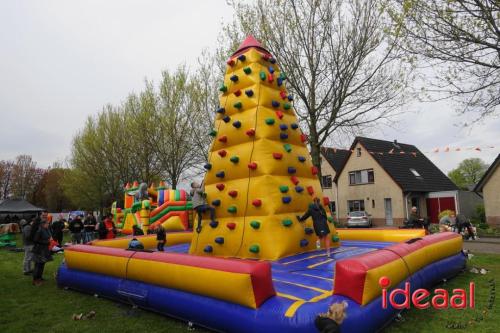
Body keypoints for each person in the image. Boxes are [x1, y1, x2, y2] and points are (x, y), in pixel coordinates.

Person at [31, 213, 52, 286]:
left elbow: (48, 237)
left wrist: (50, 241)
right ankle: (35, 280)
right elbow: (35, 240)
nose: (48, 225)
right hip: (39, 250)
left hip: (45, 249)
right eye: (47, 223)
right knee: (38, 265)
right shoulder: (39, 230)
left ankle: (40, 278)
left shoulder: (46, 229)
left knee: (42, 264)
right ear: (43, 224)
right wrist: (46, 242)